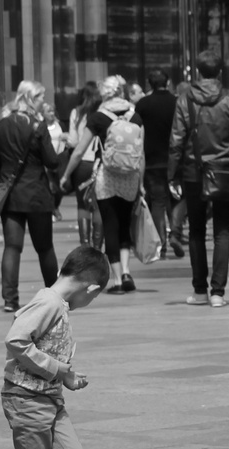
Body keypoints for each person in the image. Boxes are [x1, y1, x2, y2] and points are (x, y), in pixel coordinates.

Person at [0, 244, 113, 449]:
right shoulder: (48, 303)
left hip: (49, 400)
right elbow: (16, 340)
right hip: (25, 400)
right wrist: (59, 370)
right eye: (94, 297)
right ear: (91, 288)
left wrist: (67, 378)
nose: (88, 302)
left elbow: (46, 351)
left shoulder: (56, 304)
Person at [168, 50, 229, 308]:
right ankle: (218, 293)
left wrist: (172, 174)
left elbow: (176, 140)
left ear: (199, 71)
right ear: (220, 73)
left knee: (196, 232)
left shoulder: (185, 99)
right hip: (224, 170)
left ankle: (200, 290)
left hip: (194, 171)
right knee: (222, 231)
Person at [62, 75, 143, 295]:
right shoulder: (134, 115)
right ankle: (126, 272)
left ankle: (116, 281)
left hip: (107, 177)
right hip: (130, 177)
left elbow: (79, 150)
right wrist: (140, 183)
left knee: (110, 226)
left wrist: (66, 174)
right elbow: (140, 154)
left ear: (105, 94)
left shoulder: (99, 117)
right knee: (125, 224)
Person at [0, 82, 60, 313]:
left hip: (11, 196)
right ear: (31, 97)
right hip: (37, 194)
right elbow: (52, 161)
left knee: (12, 247)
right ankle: (54, 292)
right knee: (45, 248)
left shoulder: (0, 125)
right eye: (41, 97)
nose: (43, 101)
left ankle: (10, 299)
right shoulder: (38, 125)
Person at [135, 67, 182, 258]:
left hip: (151, 160)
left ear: (149, 84)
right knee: (178, 198)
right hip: (174, 158)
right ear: (168, 82)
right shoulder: (177, 102)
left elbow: (136, 129)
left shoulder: (143, 104)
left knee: (158, 202)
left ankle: (161, 243)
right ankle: (176, 233)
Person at [65, 83, 103, 250]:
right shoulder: (103, 112)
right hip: (99, 163)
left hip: (81, 165)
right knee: (98, 205)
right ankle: (97, 245)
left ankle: (85, 244)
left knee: (82, 204)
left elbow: (73, 142)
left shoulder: (77, 113)